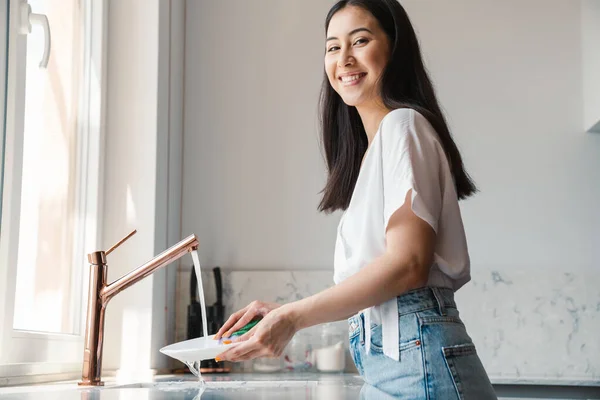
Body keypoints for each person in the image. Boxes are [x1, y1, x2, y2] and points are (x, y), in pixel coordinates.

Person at [214, 0, 496, 398]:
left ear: (395, 48)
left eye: (359, 41)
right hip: (395, 364)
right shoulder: (375, 150)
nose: (344, 58)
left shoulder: (404, 126)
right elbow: (381, 280)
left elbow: (408, 266)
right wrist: (281, 314)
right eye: (332, 47)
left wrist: (293, 317)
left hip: (417, 365)